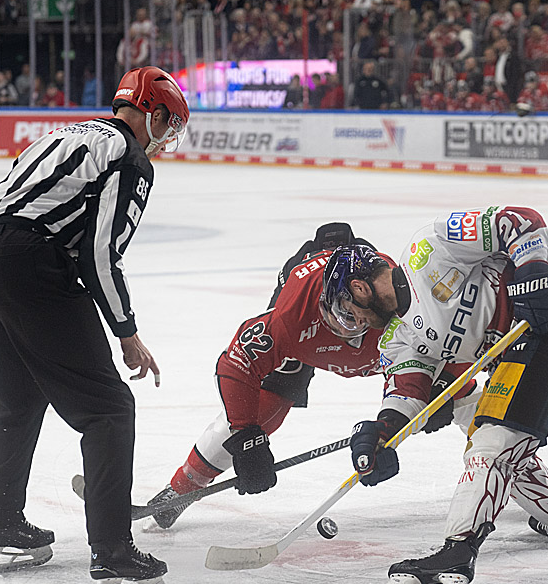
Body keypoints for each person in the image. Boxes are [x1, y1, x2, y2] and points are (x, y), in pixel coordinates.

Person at [0, 66, 189, 584]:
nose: (169, 138)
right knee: (108, 410)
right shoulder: (129, 157)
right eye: (170, 124)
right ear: (152, 112)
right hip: (25, 263)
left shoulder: (64, 132)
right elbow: (98, 253)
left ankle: (0, 525)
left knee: (19, 396)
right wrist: (126, 331)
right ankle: (115, 556)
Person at [323, 206, 548, 584]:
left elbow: (518, 221)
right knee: (490, 432)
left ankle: (457, 554)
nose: (352, 322)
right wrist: (382, 434)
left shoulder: (431, 246)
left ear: (358, 288)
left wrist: (532, 273)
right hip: (518, 353)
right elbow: (409, 391)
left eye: (345, 311)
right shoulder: (397, 337)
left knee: (495, 439)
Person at [143, 224, 474, 528]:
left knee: (459, 395)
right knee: (264, 410)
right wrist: (246, 437)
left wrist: (445, 380)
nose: (351, 327)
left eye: (356, 315)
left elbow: (455, 337)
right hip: (305, 330)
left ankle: (520, 475)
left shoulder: (398, 304)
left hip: (382, 325)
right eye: (341, 315)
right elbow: (237, 362)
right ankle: (178, 490)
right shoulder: (293, 317)